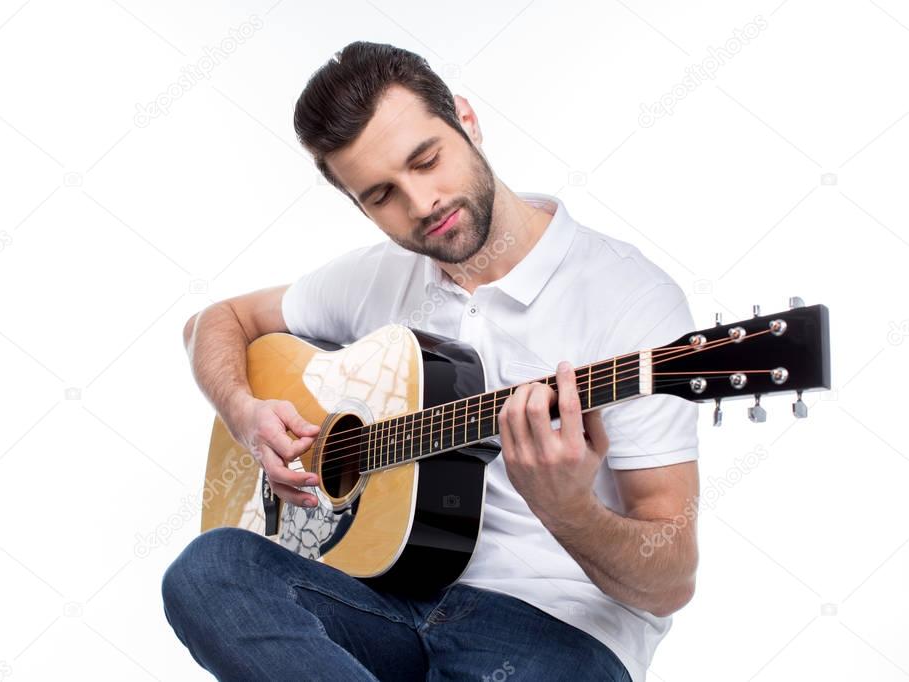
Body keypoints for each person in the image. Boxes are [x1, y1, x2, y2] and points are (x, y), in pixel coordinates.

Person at [163, 41, 700, 682]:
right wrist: (245, 413)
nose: (421, 203)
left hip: (550, 634)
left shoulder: (630, 301)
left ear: (466, 121)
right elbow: (213, 323)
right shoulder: (375, 279)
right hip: (379, 597)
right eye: (382, 194)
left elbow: (668, 583)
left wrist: (567, 508)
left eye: (427, 160)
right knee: (210, 570)